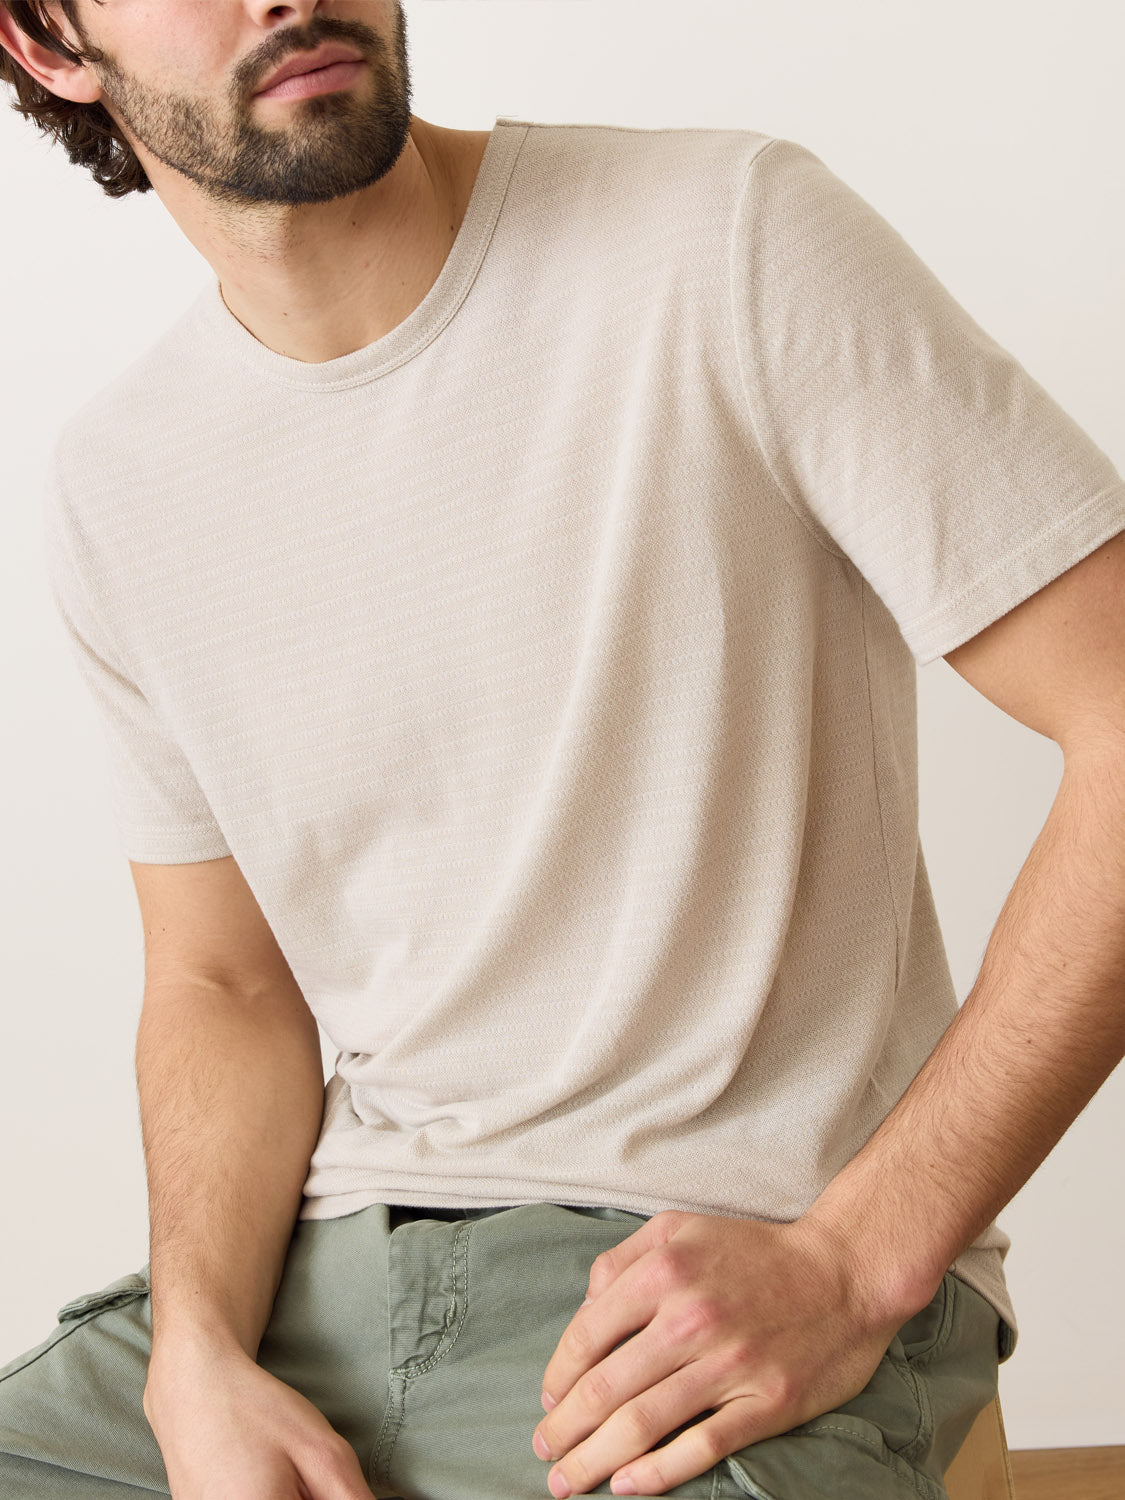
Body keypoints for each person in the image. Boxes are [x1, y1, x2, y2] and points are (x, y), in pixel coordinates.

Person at [2, 2, 1124, 1497]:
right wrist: (195, 1352)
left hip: (704, 1278)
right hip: (306, 1290)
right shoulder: (121, 481)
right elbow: (224, 983)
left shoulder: (720, 237)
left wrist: (860, 1263)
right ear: (49, 42)